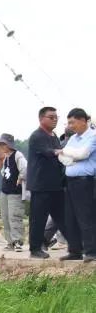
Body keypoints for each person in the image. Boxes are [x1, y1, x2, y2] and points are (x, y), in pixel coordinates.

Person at [26, 107, 67, 259]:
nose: (54, 119)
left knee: (63, 217)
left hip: (56, 184)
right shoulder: (37, 136)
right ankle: (35, 249)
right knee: (38, 218)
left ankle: (77, 246)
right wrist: (59, 152)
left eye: (56, 117)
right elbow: (48, 151)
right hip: (41, 185)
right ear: (41, 118)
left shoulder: (54, 135)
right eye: (51, 117)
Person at [57, 108, 96, 262]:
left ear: (83, 120)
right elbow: (62, 157)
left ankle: (92, 251)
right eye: (69, 123)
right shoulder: (73, 138)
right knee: (70, 217)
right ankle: (75, 251)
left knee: (86, 217)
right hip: (70, 181)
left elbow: (83, 154)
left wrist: (69, 153)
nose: (70, 126)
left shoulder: (93, 136)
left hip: (85, 182)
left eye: (72, 122)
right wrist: (70, 154)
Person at [0, 133, 27, 252]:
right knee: (5, 217)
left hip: (15, 191)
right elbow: (3, 172)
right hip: (5, 191)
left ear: (9, 144)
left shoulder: (18, 155)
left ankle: (17, 241)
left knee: (15, 216)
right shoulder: (6, 157)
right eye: (0, 144)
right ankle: (10, 242)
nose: (1, 146)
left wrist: (20, 178)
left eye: (3, 144)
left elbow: (25, 168)